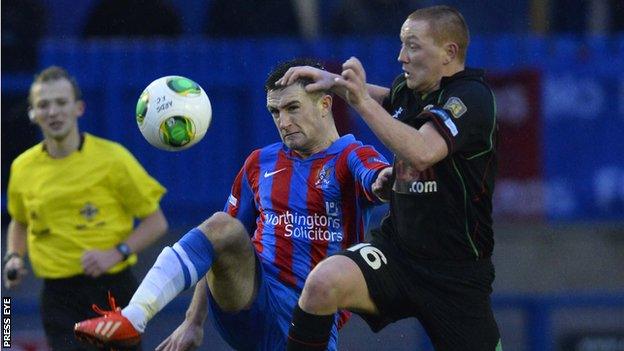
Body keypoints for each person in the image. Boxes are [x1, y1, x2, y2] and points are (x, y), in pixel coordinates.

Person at [73, 58, 390, 351]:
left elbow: (377, 177)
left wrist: (386, 181)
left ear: (324, 104)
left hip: (309, 318)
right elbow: (213, 244)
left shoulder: (352, 156)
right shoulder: (260, 162)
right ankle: (133, 316)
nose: (283, 121)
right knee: (220, 226)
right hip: (251, 298)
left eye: (293, 107)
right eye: (274, 112)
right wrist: (193, 321)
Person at [279, 6, 502, 351]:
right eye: (402, 45)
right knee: (323, 283)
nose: (401, 57)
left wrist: (359, 101)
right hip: (397, 253)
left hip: (456, 275)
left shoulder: (472, 97)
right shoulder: (411, 91)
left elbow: (423, 151)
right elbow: (389, 99)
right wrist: (335, 84)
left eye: (412, 46)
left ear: (449, 52)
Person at [3, 66, 169, 351]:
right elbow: (19, 221)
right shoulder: (22, 167)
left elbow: (156, 222)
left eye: (61, 102)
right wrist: (14, 258)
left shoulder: (113, 158)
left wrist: (116, 253)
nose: (53, 111)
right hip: (58, 297)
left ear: (78, 108)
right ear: (33, 113)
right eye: (44, 105)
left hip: (112, 290)